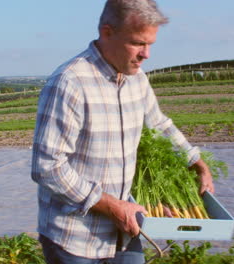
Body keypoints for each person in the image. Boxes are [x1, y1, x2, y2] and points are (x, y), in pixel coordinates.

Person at [31, 0, 214, 263]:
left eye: (150, 44)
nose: (146, 54)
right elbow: (47, 166)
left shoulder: (137, 79)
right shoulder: (70, 83)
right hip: (74, 239)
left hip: (125, 232)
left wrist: (197, 163)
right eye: (138, 43)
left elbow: (159, 125)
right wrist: (113, 206)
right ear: (108, 33)